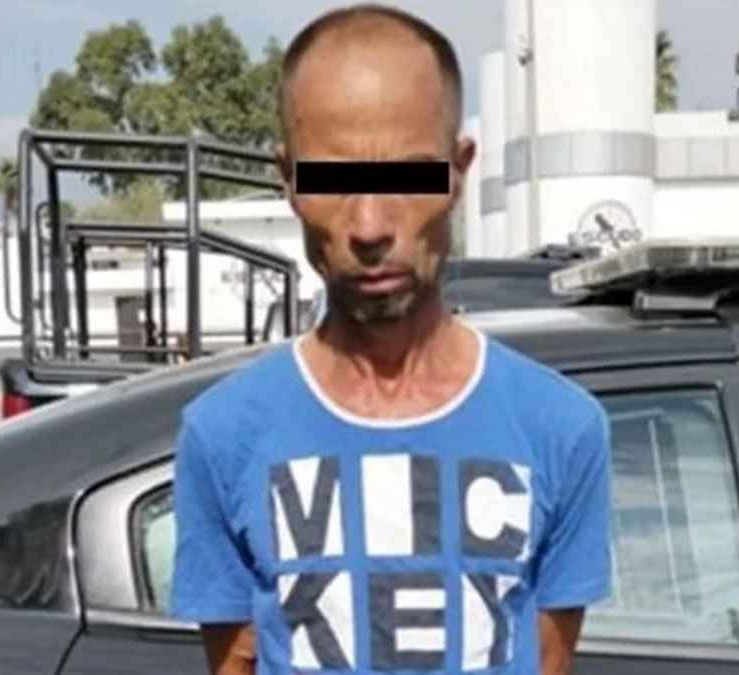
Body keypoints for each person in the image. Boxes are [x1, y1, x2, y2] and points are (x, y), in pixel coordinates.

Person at [170, 4, 612, 674]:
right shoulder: (222, 434)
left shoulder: (561, 428)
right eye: (332, 181)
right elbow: (235, 661)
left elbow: (548, 660)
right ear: (289, 181)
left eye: (407, 176)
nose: (370, 225)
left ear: (458, 170)